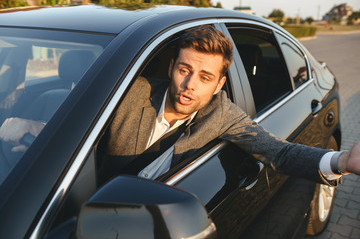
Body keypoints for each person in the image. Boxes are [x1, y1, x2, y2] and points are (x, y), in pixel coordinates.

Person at [1, 25, 360, 186]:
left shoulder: (222, 114)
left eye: (205, 77)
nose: (190, 85)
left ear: (220, 84)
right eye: (185, 70)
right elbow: (78, 126)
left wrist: (342, 161)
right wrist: (30, 130)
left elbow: (278, 153)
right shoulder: (132, 93)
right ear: (171, 68)